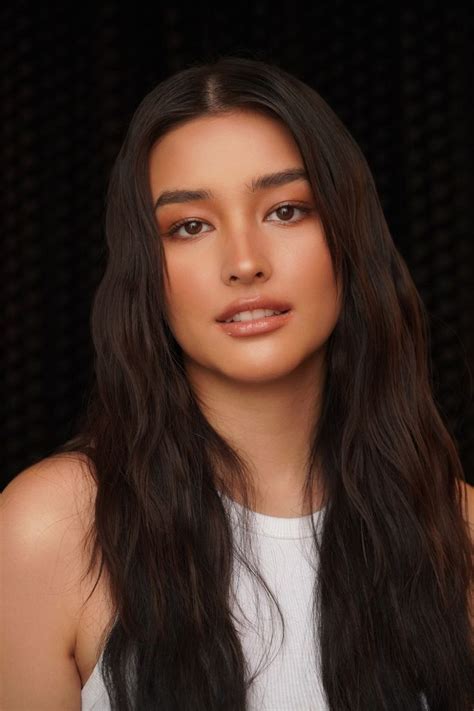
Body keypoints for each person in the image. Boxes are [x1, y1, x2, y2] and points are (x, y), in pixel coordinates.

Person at [1, 54, 473, 711]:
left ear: (347, 237)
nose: (245, 262)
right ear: (147, 273)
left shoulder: (461, 529)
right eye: (190, 226)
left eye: (285, 209)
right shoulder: (50, 529)